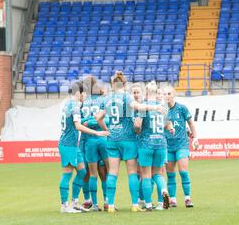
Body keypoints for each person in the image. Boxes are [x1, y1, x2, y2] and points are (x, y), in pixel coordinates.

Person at [96, 71, 166, 213]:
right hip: (128, 139)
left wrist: (107, 130)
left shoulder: (107, 99)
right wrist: (155, 107)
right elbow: (139, 107)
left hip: (112, 140)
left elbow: (98, 117)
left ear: (112, 84)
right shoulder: (126, 97)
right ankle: (134, 204)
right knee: (132, 173)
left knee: (112, 173)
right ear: (125, 84)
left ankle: (110, 205)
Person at [58, 81, 109, 213]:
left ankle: (74, 202)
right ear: (78, 93)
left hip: (73, 145)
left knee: (82, 172)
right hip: (67, 144)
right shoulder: (74, 105)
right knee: (67, 174)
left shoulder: (67, 103)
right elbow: (78, 126)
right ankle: (64, 205)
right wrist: (97, 132)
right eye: (84, 93)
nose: (85, 96)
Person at [135, 81, 174, 211]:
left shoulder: (143, 107)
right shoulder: (164, 107)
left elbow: (137, 125)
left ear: (146, 93)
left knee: (146, 175)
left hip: (146, 144)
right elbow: (166, 124)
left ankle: (148, 204)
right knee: (158, 173)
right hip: (161, 143)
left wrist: (138, 131)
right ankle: (164, 191)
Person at [164, 86, 199, 208]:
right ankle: (172, 199)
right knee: (170, 174)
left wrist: (195, 138)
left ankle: (187, 198)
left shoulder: (182, 108)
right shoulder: (161, 110)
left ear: (173, 95)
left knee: (183, 171)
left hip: (182, 145)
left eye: (169, 93)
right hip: (168, 146)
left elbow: (191, 123)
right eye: (164, 94)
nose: (166, 96)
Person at [80, 76, 109, 211]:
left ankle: (92, 202)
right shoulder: (103, 99)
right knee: (105, 172)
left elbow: (80, 122)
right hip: (102, 137)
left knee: (89, 173)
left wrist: (89, 122)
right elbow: (107, 120)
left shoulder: (83, 101)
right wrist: (95, 121)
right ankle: (107, 200)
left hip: (88, 140)